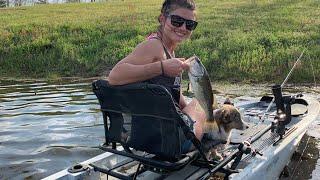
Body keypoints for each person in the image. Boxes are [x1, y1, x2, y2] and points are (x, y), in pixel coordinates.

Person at [107, 0, 206, 153]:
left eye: (190, 24)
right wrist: (161, 67)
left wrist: (188, 109)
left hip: (146, 139)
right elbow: (114, 76)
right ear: (162, 19)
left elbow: (173, 97)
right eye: (177, 21)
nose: (183, 28)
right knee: (201, 103)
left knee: (194, 106)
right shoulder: (153, 46)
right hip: (173, 143)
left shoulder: (168, 50)